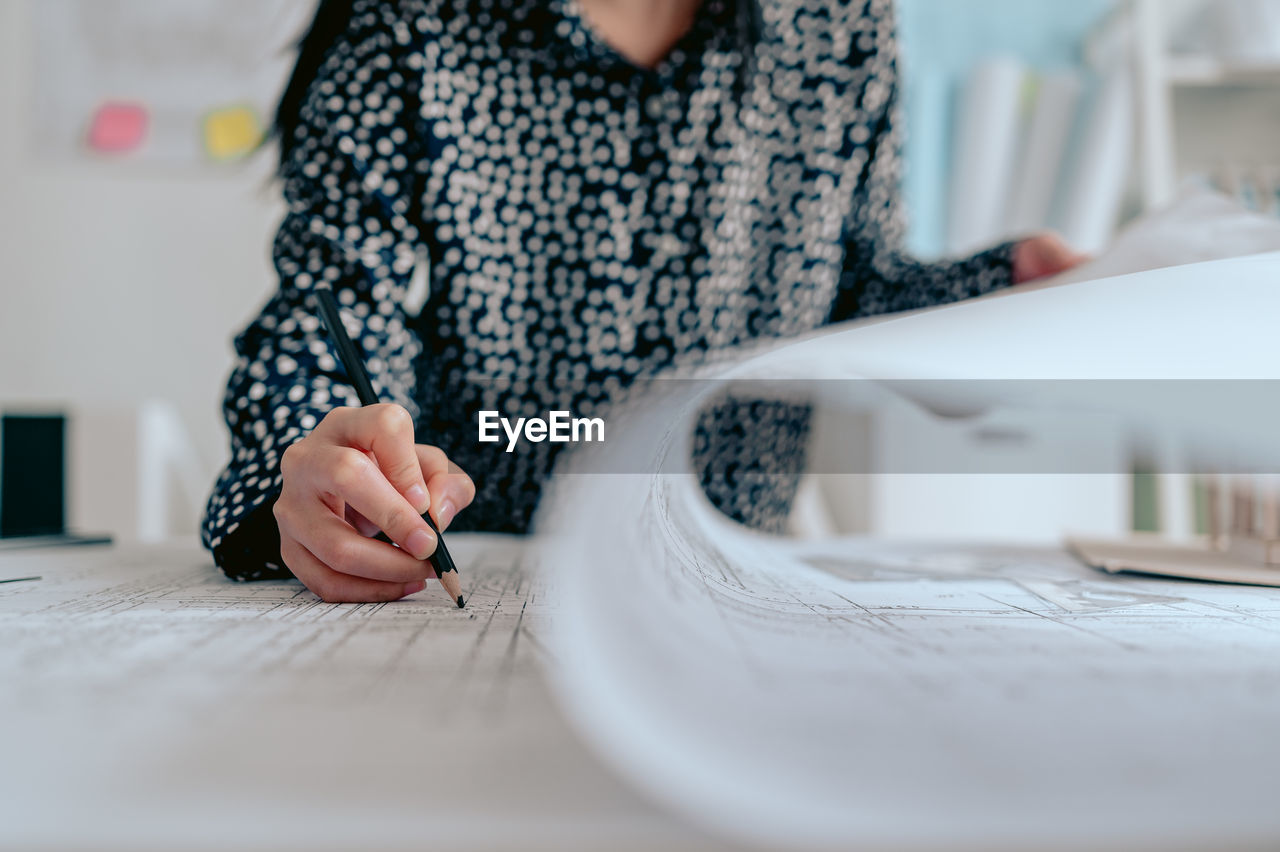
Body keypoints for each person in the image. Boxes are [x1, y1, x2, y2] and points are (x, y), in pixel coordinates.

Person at [203, 0, 1086, 602]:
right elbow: (331, 311)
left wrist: (998, 291)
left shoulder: (838, 24)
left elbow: (856, 286)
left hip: (739, 571)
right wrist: (317, 460)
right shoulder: (412, 23)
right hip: (475, 554)